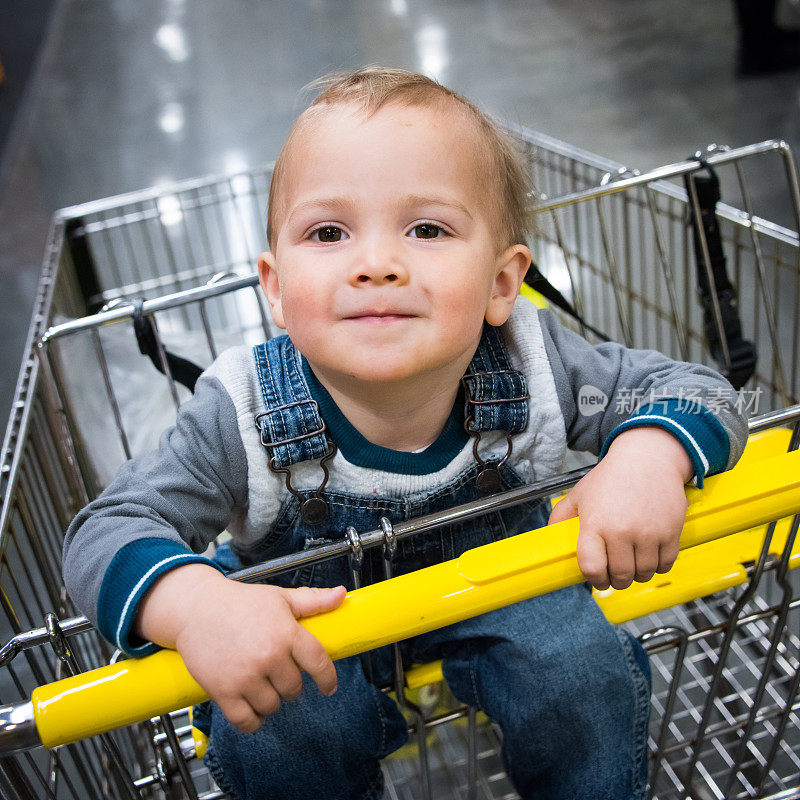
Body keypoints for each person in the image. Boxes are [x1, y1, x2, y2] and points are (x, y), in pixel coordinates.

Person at [63, 67, 747, 800]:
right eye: (328, 232)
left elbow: (692, 388)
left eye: (427, 229)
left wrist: (651, 450)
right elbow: (106, 529)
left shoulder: (532, 359)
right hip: (311, 624)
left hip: (499, 586)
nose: (377, 265)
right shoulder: (242, 413)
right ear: (274, 286)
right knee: (278, 725)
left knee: (582, 670)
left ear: (501, 284)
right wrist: (196, 604)